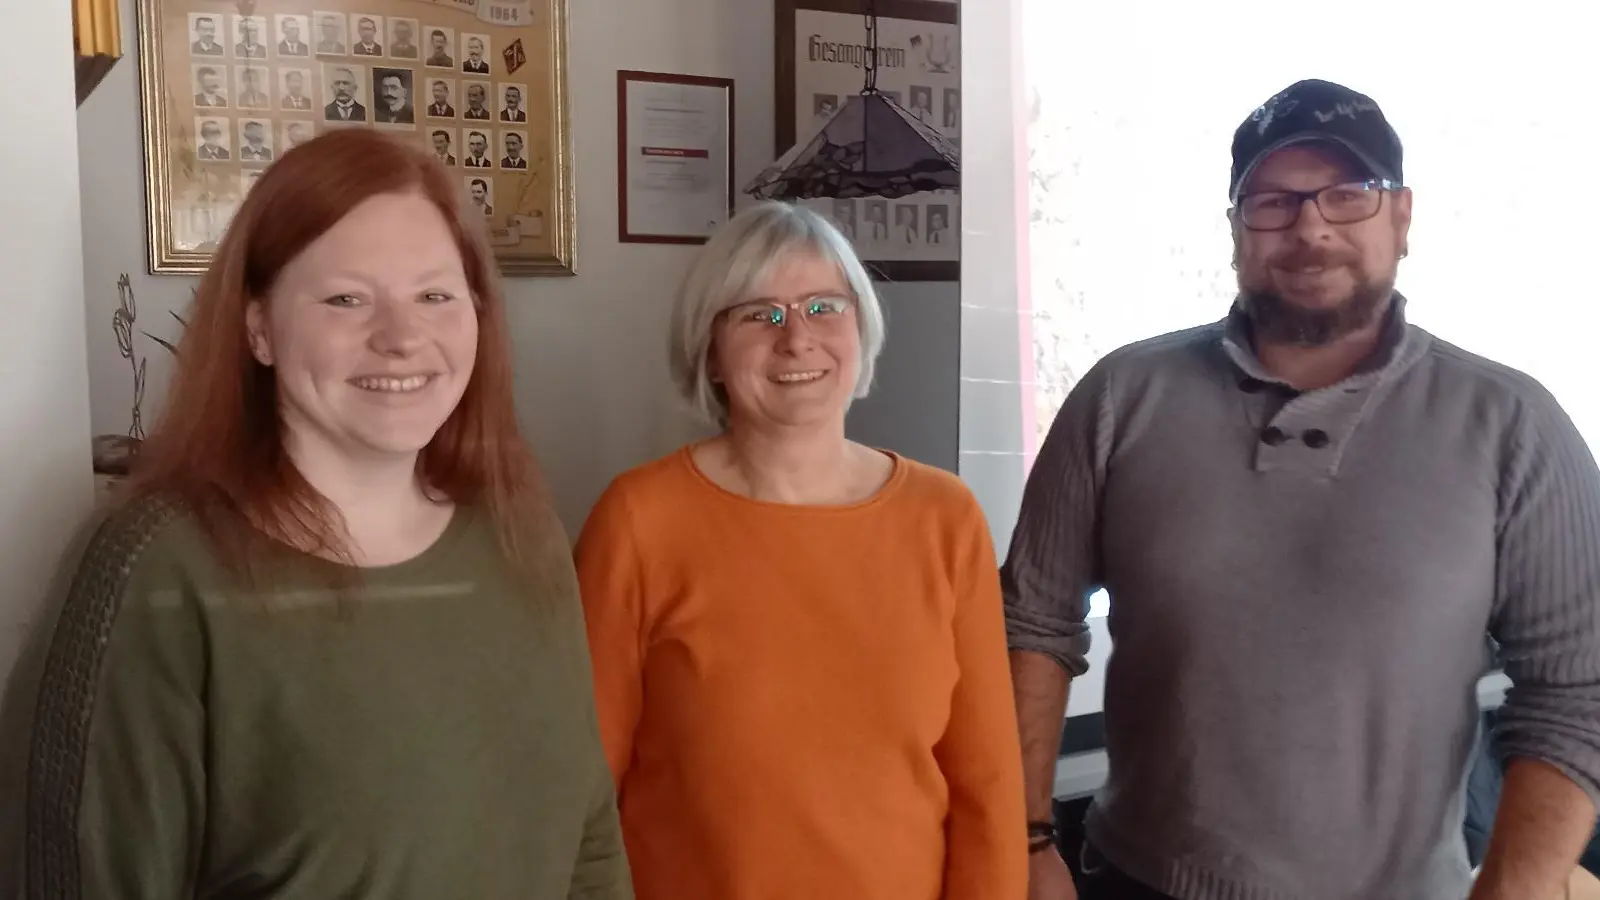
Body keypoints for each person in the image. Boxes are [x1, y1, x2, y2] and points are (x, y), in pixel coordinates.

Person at [1005, 78, 1600, 900]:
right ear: (1235, 231)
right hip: (1135, 882)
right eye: (1273, 202)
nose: (1310, 226)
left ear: (1403, 217)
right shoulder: (1120, 398)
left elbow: (1578, 688)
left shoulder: (1514, 425)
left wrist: (1513, 886)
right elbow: (1032, 625)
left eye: (1348, 194)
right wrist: (1028, 841)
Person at [0, 128, 631, 900]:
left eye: (434, 295)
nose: (402, 338)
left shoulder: (516, 532)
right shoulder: (153, 570)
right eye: (346, 299)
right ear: (258, 327)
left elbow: (588, 837)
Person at [573, 200, 1028, 900]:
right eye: (760, 314)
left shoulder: (944, 518)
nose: (797, 340)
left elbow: (987, 790)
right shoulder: (639, 520)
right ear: (711, 350)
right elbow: (583, 791)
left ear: (861, 325)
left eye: (824, 307)